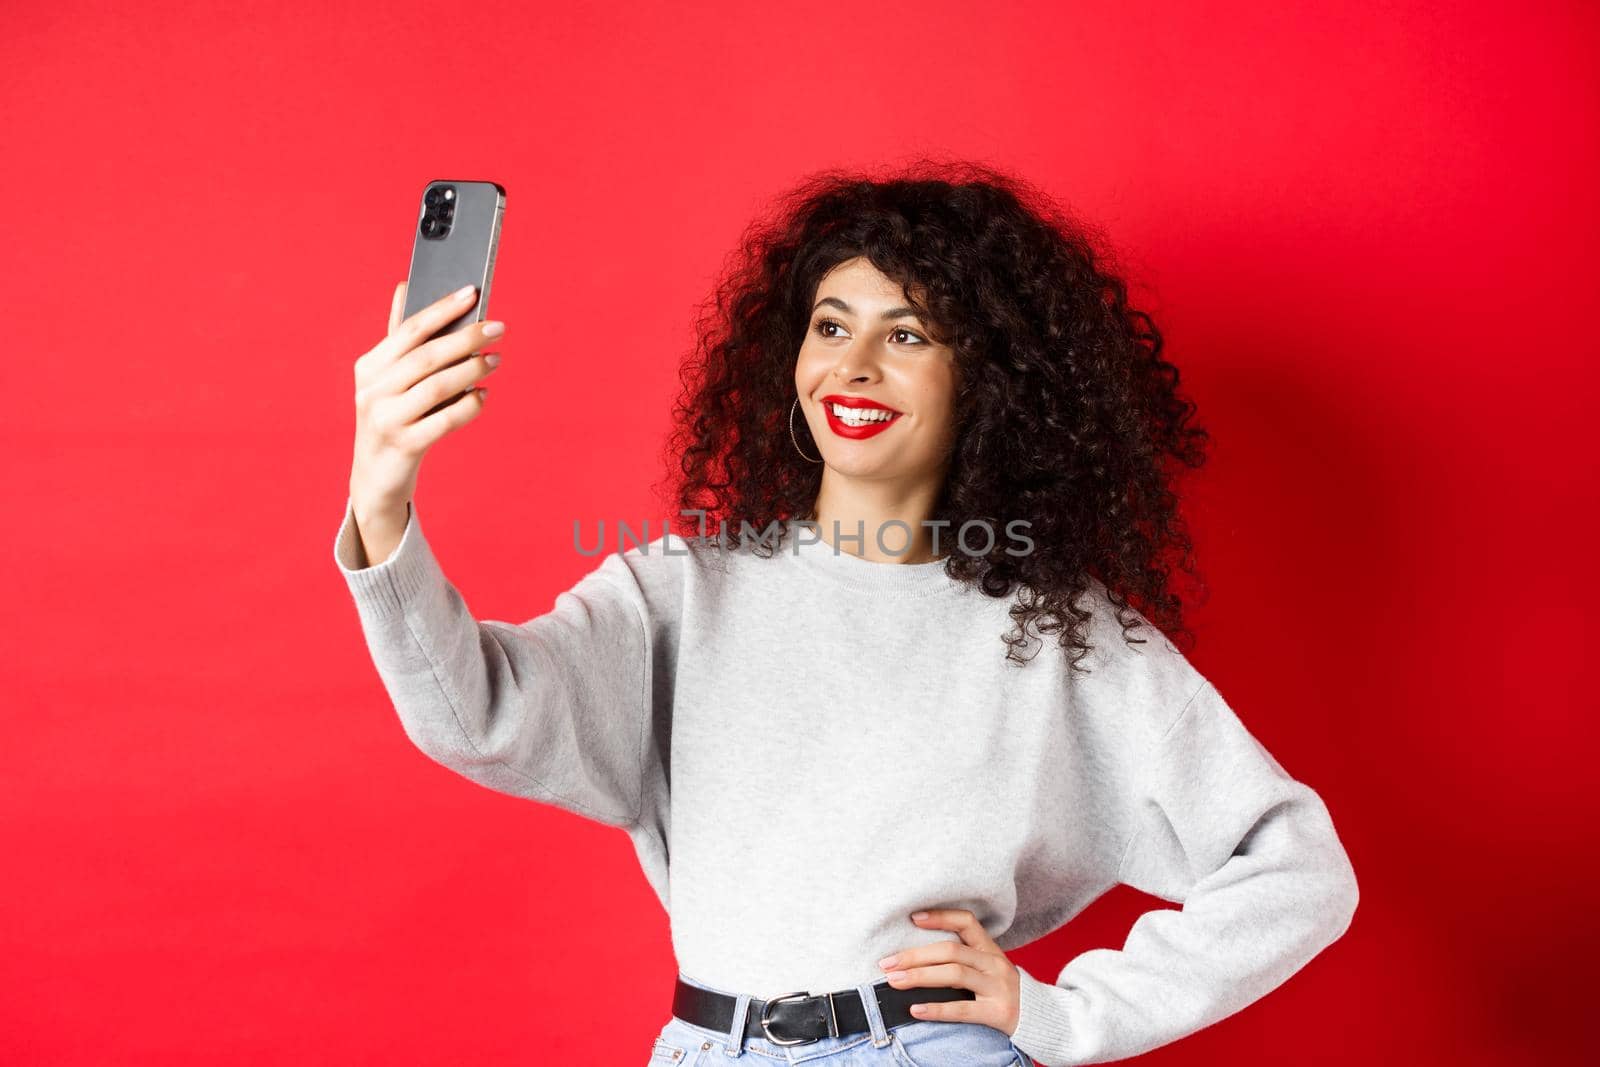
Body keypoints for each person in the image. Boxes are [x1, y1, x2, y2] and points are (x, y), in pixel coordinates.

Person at [332, 161, 1359, 1066]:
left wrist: (1066, 1013)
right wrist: (381, 493)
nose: (851, 367)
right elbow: (476, 712)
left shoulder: (1057, 633)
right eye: (831, 325)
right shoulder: (681, 590)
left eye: (905, 332)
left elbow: (1292, 866)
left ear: (986, 379)